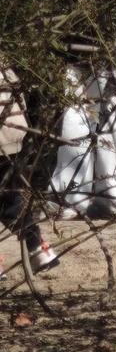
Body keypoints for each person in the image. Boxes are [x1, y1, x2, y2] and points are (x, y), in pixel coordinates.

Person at [1, 68, 58, 275]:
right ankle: (38, 247)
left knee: (9, 199)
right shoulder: (5, 64)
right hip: (13, 135)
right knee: (10, 198)